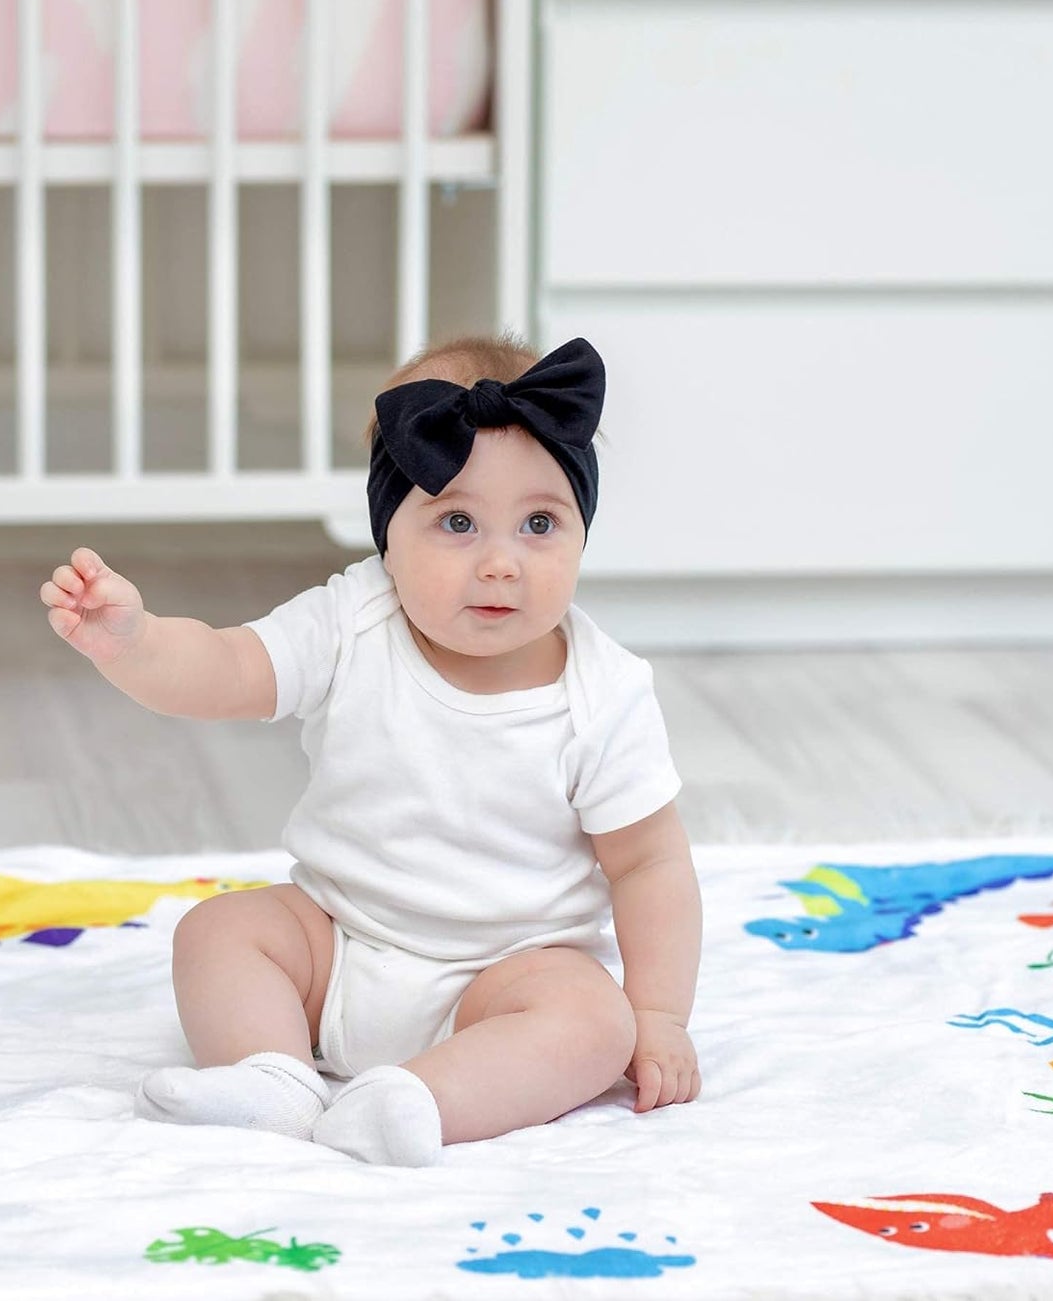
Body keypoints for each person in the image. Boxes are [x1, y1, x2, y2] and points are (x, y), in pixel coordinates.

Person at [39, 335, 702, 1166]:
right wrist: (132, 641)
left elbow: (648, 866)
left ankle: (419, 1100)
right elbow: (228, 667)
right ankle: (273, 1076)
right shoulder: (354, 620)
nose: (501, 563)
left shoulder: (604, 692)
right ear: (389, 534)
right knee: (220, 929)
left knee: (592, 1022)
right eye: (457, 521)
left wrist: (659, 1015)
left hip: (505, 977)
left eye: (539, 523)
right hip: (338, 940)